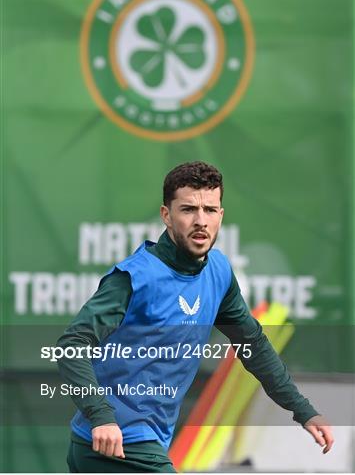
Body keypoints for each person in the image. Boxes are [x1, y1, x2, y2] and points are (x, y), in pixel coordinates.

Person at [57, 161, 334, 473]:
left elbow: (253, 345)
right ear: (167, 215)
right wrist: (102, 416)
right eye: (188, 209)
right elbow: (72, 345)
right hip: (116, 442)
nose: (201, 221)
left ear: (221, 215)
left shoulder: (218, 272)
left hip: (140, 441)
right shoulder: (135, 277)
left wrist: (303, 410)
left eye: (210, 210)